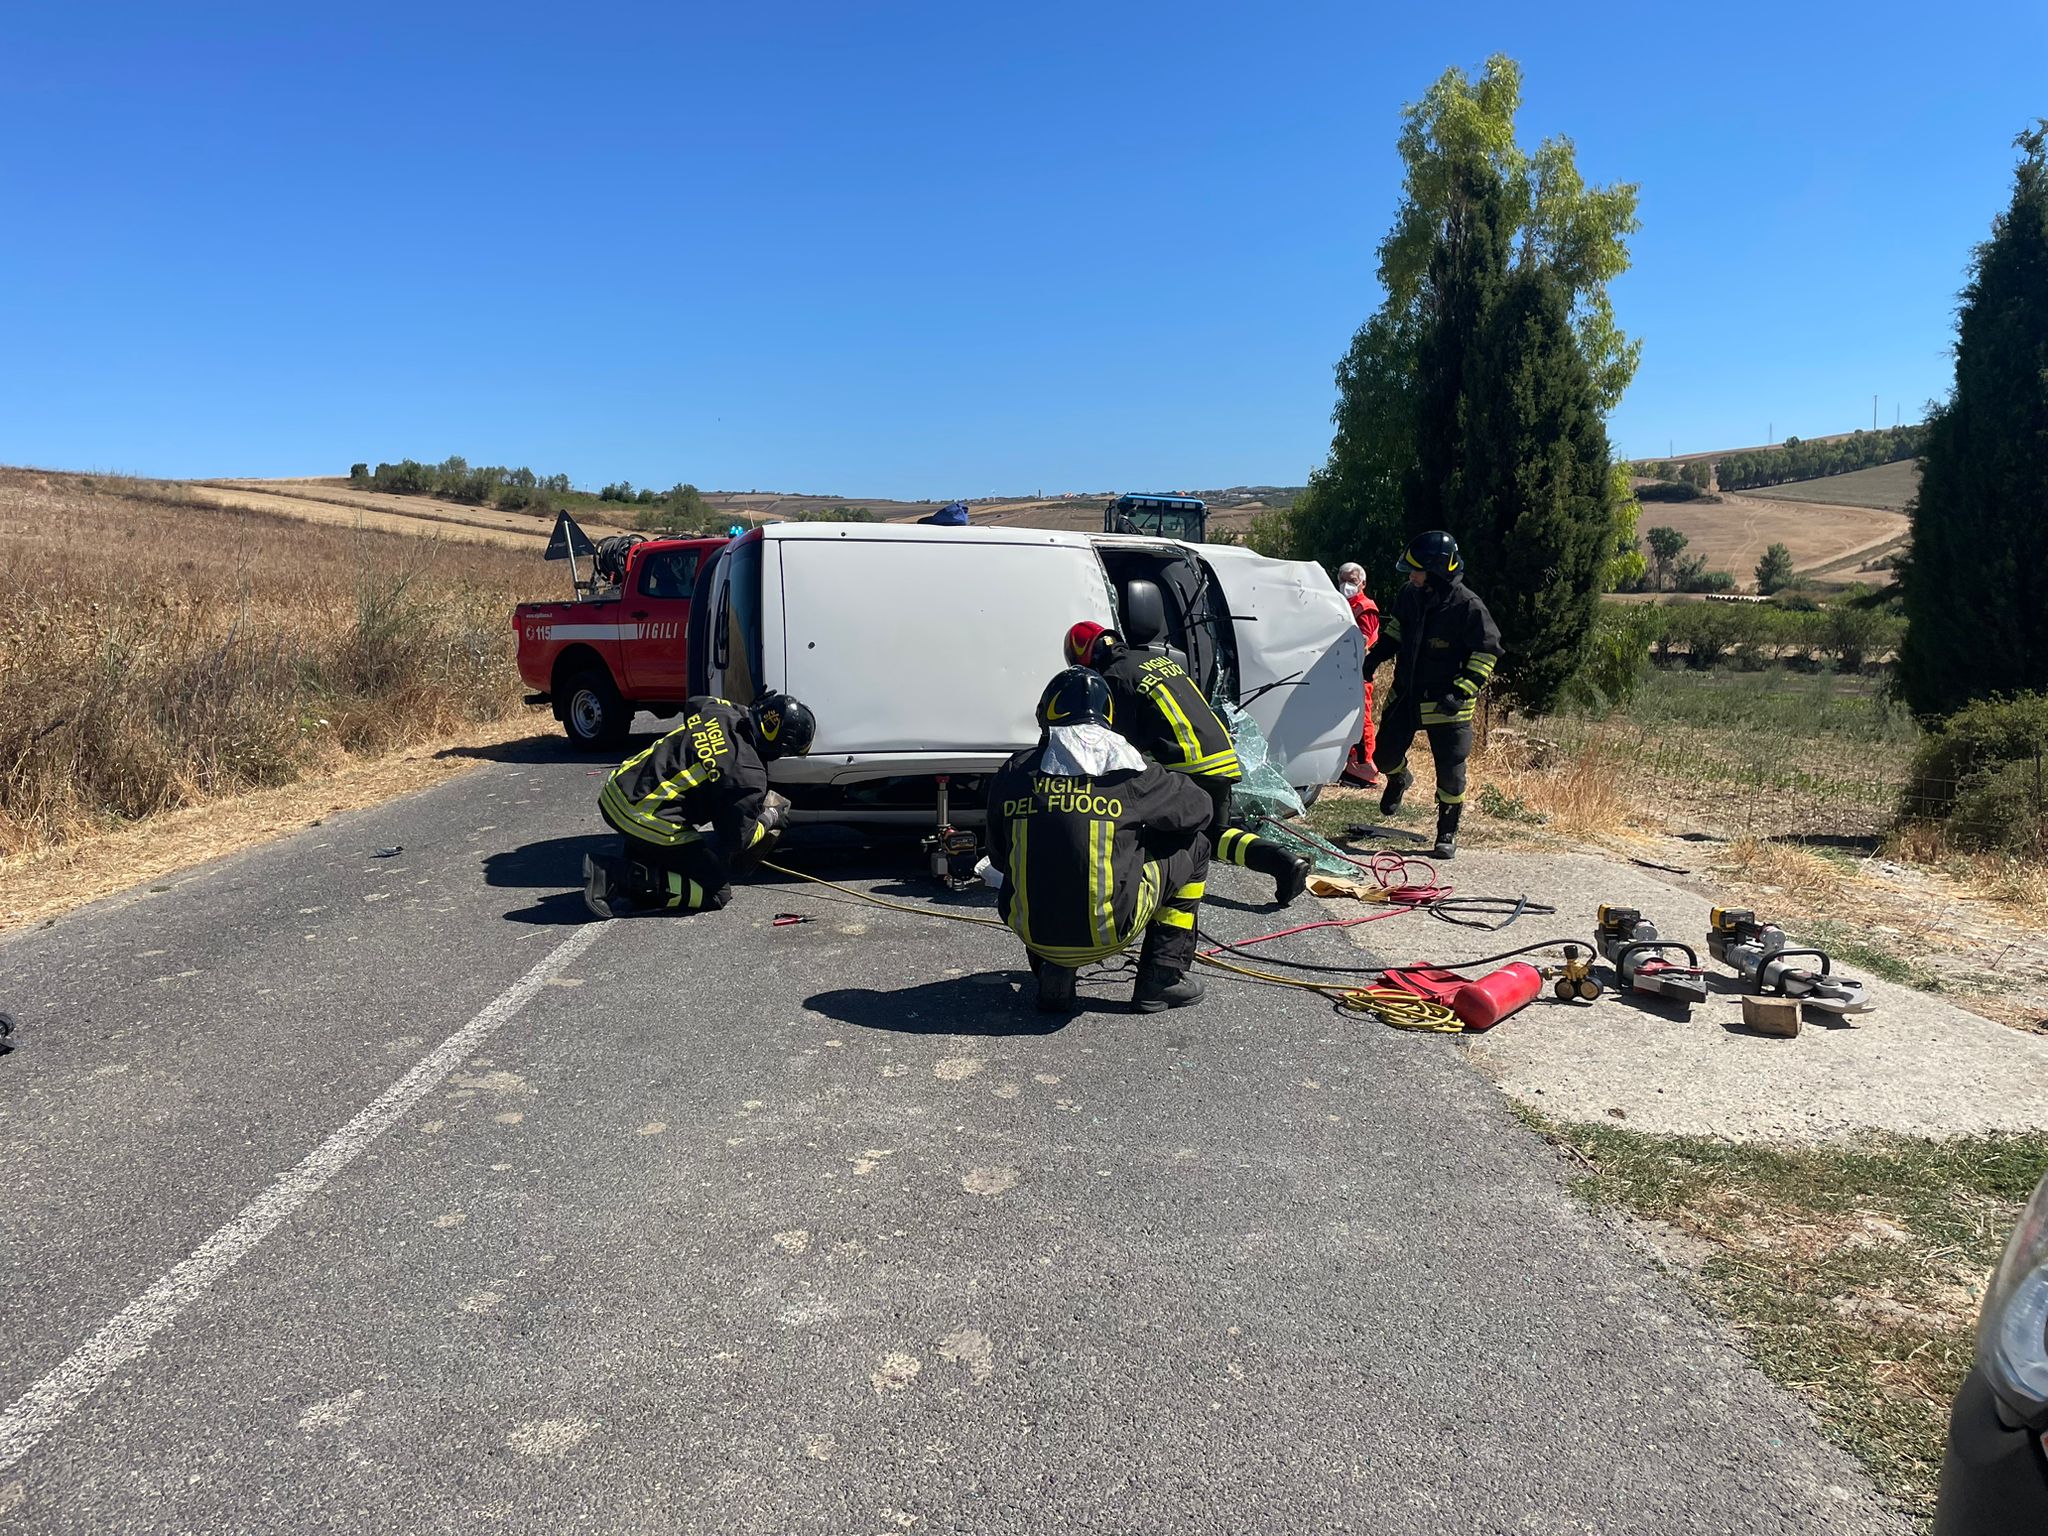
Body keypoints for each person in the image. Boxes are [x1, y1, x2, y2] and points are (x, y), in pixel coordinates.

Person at [988, 668, 1214, 1014]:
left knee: (1037, 860)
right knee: (1197, 847)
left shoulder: (1015, 772)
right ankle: (1162, 976)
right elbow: (1199, 810)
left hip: (1033, 931)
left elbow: (1000, 858)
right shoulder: (1130, 773)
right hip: (1108, 934)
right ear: (1109, 719)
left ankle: (1055, 971)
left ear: (1045, 714)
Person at [1063, 621, 1311, 906]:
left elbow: (1119, 745)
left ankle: (1137, 888)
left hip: (1187, 766)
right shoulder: (1153, 659)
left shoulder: (1115, 677)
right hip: (1222, 759)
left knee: (1145, 822)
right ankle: (1284, 862)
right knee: (1216, 834)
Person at [583, 693, 818, 918]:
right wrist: (771, 816)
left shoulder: (719, 710)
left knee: (683, 852)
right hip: (640, 814)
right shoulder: (748, 776)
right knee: (715, 891)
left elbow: (693, 703)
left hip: (618, 786)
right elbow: (738, 839)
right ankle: (614, 877)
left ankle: (642, 859)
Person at [1360, 530, 1502, 861]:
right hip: (1407, 694)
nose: (1411, 576)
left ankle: (1446, 831)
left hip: (1447, 703)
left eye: (1417, 570)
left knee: (1451, 772)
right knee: (1383, 756)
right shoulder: (1410, 595)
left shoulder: (1468, 607)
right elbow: (1395, 631)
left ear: (1437, 570)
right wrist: (1375, 657)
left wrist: (1460, 691)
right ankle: (1399, 779)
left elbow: (1486, 653)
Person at [1336, 561, 1382, 789]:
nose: (1346, 586)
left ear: (1362, 583)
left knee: (1362, 718)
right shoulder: (1339, 605)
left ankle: (1366, 767)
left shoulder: (1365, 608)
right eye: (1342, 581)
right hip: (1341, 672)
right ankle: (1350, 763)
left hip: (1360, 673)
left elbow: (1366, 640)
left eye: (1351, 581)